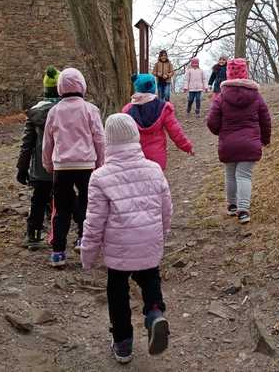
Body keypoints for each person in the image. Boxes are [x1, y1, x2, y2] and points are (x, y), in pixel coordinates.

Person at [80, 113, 173, 364]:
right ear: (135, 137)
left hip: (119, 249)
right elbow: (166, 208)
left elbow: (94, 222)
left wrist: (88, 255)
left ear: (108, 142)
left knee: (117, 291)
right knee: (150, 278)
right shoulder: (154, 169)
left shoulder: (100, 177)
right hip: (149, 241)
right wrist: (161, 234)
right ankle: (155, 313)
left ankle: (122, 343)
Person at [42, 67, 105, 267]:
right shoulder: (90, 109)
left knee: (60, 209)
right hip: (86, 165)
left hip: (62, 166)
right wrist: (101, 163)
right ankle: (83, 238)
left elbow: (47, 141)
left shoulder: (54, 111)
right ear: (82, 85)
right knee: (87, 203)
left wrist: (48, 163)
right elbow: (99, 138)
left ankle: (58, 251)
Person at [207, 58, 271, 224]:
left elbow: (211, 121)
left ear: (228, 74)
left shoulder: (221, 97)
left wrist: (219, 132)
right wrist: (265, 139)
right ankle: (243, 210)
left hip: (228, 143)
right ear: (245, 73)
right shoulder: (256, 96)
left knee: (230, 175)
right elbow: (265, 119)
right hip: (250, 143)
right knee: (244, 176)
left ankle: (232, 206)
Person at [16, 66, 61, 249]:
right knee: (65, 199)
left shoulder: (35, 112)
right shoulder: (66, 111)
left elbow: (27, 143)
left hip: (41, 167)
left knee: (38, 199)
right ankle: (62, 234)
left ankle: (33, 234)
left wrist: (22, 167)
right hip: (63, 165)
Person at [123, 73, 194, 169]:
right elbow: (175, 131)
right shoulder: (163, 107)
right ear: (153, 86)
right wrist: (187, 146)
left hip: (136, 156)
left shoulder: (127, 110)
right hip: (157, 157)